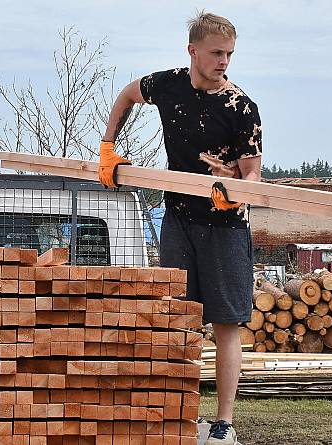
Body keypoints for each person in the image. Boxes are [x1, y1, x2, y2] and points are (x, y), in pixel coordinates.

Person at [97, 11, 261, 445]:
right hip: (179, 220)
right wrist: (109, 146)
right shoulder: (166, 85)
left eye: (229, 54)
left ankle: (223, 424)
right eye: (216, 53)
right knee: (178, 319)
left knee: (226, 324)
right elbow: (127, 96)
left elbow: (254, 177)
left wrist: (236, 192)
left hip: (226, 226)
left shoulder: (241, 107)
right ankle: (178, 415)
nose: (224, 61)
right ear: (193, 51)